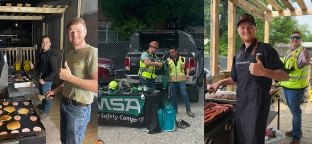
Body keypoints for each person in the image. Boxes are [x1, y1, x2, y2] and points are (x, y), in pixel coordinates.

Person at [208, 13, 288, 144]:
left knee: (253, 140)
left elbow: (285, 75)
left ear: (255, 28)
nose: (246, 30)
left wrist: (264, 71)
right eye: (242, 27)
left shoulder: (266, 49)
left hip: (257, 107)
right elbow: (236, 79)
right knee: (239, 139)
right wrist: (220, 82)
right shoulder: (238, 55)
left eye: (249, 26)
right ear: (238, 30)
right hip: (241, 107)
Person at [45, 17, 98, 144]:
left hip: (78, 108)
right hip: (65, 103)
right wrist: (55, 90)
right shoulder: (69, 54)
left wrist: (70, 77)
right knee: (65, 140)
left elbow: (96, 85)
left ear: (85, 32)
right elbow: (67, 81)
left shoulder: (91, 53)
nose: (75, 35)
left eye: (78, 31)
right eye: (71, 32)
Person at [279, 31, 310, 144]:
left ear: (300, 40)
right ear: (290, 39)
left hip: (296, 89)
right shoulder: (289, 51)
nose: (294, 39)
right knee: (293, 111)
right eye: (292, 37)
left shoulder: (302, 52)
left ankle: (296, 137)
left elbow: (304, 61)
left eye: (297, 37)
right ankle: (297, 130)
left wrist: (307, 60)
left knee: (296, 112)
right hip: (287, 86)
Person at [167, 46, 194, 117]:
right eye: (170, 52)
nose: (171, 53)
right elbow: (166, 70)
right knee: (173, 97)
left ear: (176, 51)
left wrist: (188, 73)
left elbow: (187, 67)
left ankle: (188, 111)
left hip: (181, 81)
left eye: (172, 52)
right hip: (172, 82)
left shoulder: (183, 59)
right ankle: (175, 111)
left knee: (185, 95)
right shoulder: (168, 60)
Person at [35, 35, 58, 119]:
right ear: (41, 44)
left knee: (48, 96)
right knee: (42, 93)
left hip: (46, 80)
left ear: (50, 43)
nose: (45, 44)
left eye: (47, 42)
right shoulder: (42, 53)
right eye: (43, 42)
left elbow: (55, 71)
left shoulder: (52, 55)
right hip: (41, 79)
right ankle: (43, 105)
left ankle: (46, 111)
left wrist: (45, 79)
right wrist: (34, 66)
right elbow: (40, 65)